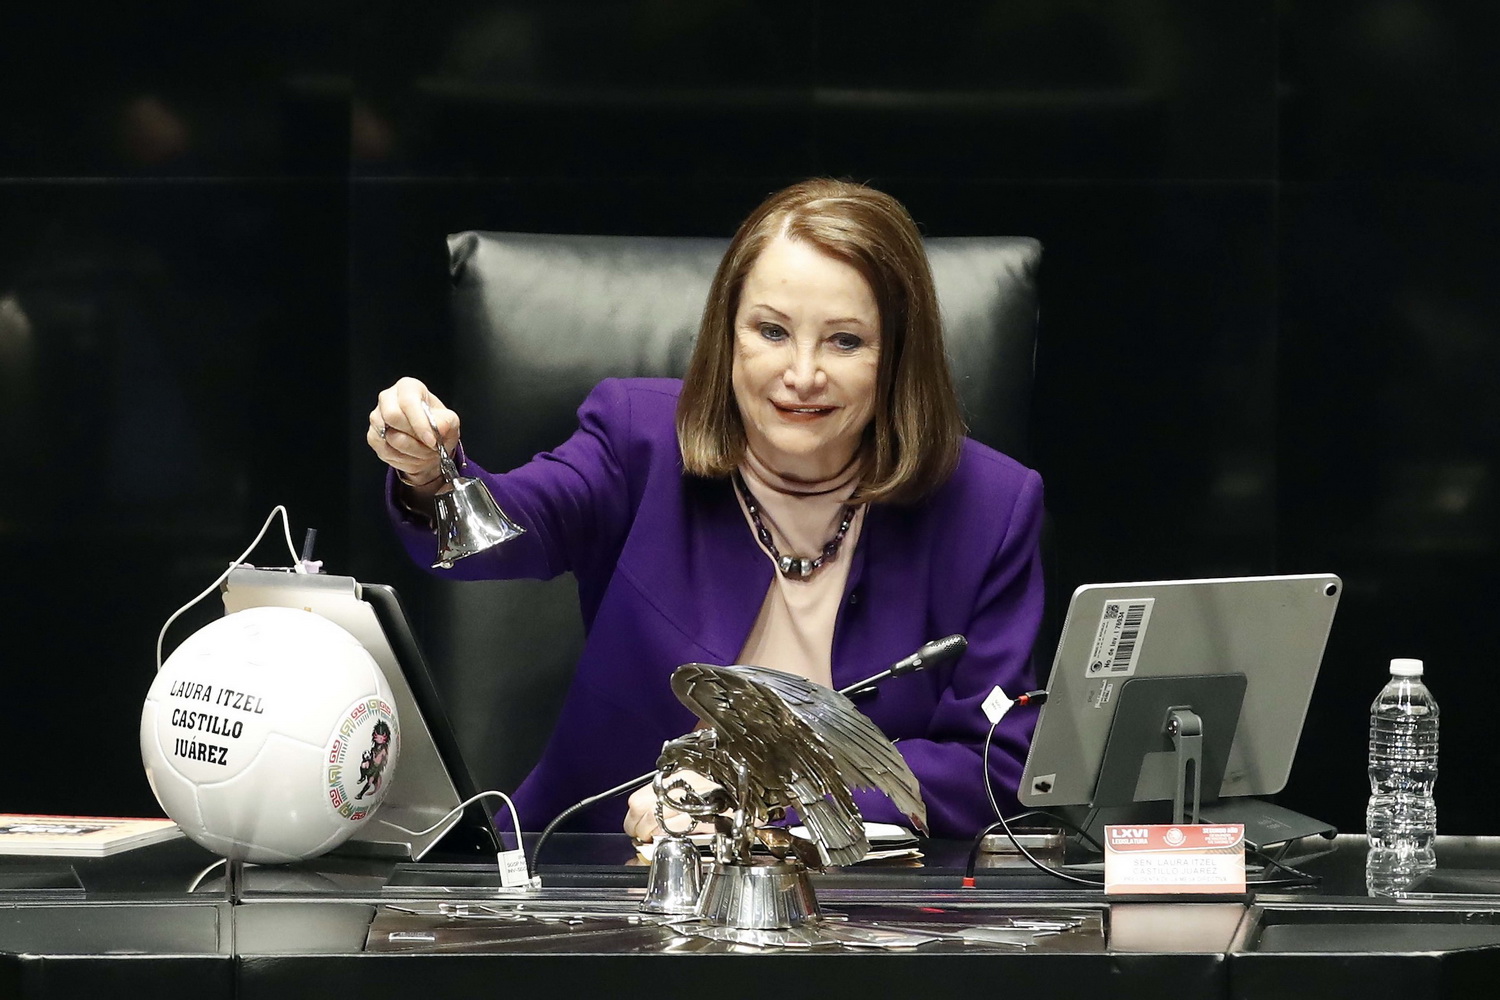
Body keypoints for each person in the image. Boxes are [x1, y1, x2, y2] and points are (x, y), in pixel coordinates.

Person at [367, 178, 1044, 842]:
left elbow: (997, 765)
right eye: (772, 331)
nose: (802, 375)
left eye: (845, 341)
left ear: (897, 355)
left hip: (864, 898)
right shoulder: (637, 441)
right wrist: (431, 473)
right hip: (606, 874)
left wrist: (767, 798)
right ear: (728, 334)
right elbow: (507, 527)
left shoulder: (989, 507)